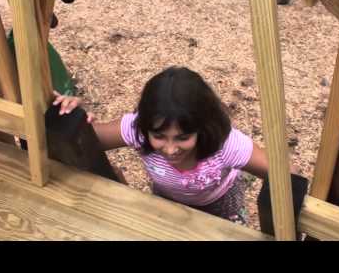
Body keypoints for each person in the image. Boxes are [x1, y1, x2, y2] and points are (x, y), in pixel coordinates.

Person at [53, 66, 294, 225]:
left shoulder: (224, 144)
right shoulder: (138, 130)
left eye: (182, 138)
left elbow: (282, 173)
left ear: (204, 127)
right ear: (146, 126)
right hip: (167, 201)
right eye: (159, 136)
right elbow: (86, 138)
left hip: (221, 205)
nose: (170, 149)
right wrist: (71, 115)